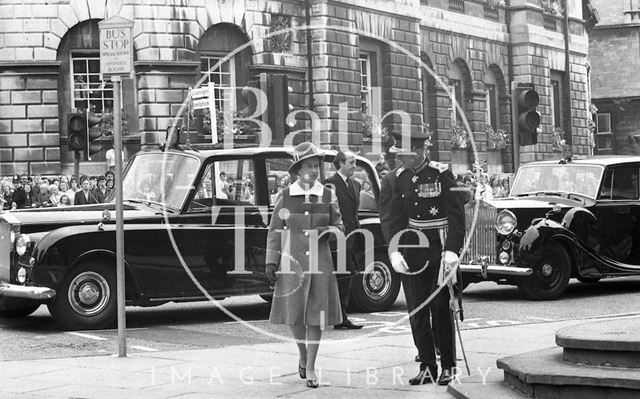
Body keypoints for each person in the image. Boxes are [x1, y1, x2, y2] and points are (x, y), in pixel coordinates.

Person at [381, 131, 465, 386]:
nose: (398, 158)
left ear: (418, 151)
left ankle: (448, 365)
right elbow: (394, 218)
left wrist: (452, 251)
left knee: (441, 308)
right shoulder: (398, 179)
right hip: (413, 250)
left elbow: (457, 216)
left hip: (439, 249)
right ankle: (427, 365)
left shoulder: (441, 174)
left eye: (403, 154)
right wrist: (394, 251)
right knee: (417, 310)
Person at [265, 142, 344, 389]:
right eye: (308, 166)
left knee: (317, 316)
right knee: (295, 315)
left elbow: (340, 228)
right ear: (297, 171)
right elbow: (275, 230)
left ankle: (310, 366)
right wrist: (271, 261)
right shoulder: (286, 196)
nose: (313, 170)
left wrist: (328, 230)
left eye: (315, 165)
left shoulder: (328, 195)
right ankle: (302, 353)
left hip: (320, 264)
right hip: (293, 263)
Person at [324, 150, 364, 330]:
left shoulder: (356, 184)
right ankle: (340, 316)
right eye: (351, 162)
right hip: (337, 238)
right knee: (341, 276)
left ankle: (341, 315)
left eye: (355, 162)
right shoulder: (330, 184)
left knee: (347, 277)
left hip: (353, 236)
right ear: (340, 163)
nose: (354, 166)